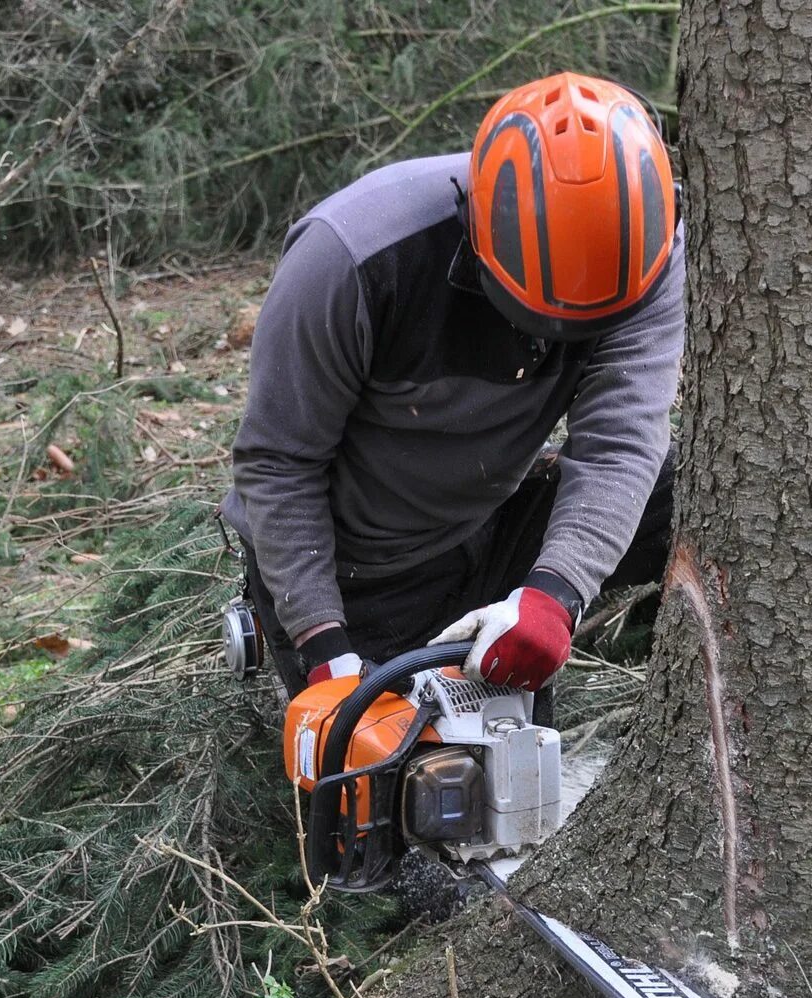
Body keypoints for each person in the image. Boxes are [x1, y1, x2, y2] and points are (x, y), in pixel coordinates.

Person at [220, 71, 684, 698]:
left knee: (695, 495)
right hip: (360, 563)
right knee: (418, 777)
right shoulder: (354, 258)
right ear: (478, 227)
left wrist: (555, 594)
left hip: (494, 509)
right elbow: (279, 461)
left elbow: (620, 440)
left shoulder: (648, 247)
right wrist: (324, 645)